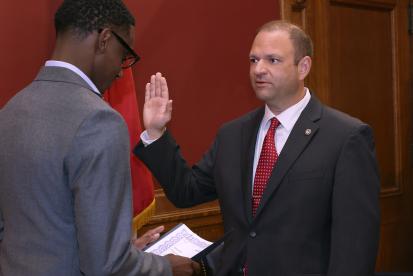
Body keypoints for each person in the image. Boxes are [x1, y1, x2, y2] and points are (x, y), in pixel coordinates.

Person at [134, 21, 381, 275]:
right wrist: (155, 133)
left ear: (303, 67)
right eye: (254, 60)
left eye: (272, 60)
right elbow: (187, 191)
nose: (259, 70)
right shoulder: (233, 134)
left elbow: (355, 245)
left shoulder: (345, 137)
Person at [0, 0, 199, 275]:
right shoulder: (99, 121)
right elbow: (107, 266)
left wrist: (125, 252)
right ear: (105, 39)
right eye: (124, 54)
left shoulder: (10, 111)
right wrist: (166, 268)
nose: (120, 70)